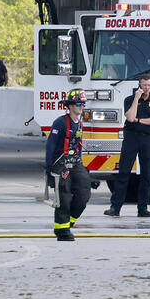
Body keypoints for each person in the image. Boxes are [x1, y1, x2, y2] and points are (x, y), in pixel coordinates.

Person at [105, 75, 150, 218]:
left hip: (147, 140)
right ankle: (115, 207)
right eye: (144, 85)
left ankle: (143, 208)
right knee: (124, 173)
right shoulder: (129, 100)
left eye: (149, 85)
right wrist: (137, 99)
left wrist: (138, 120)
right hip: (131, 139)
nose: (147, 88)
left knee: (146, 175)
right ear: (139, 85)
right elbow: (130, 117)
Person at [45, 89, 90, 241]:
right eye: (78, 104)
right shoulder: (60, 122)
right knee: (63, 198)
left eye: (83, 104)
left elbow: (77, 145)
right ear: (70, 105)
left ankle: (67, 224)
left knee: (84, 194)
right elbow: (50, 145)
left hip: (76, 163)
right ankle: (62, 231)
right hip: (60, 164)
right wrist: (49, 167)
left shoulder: (80, 123)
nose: (81, 107)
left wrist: (82, 169)